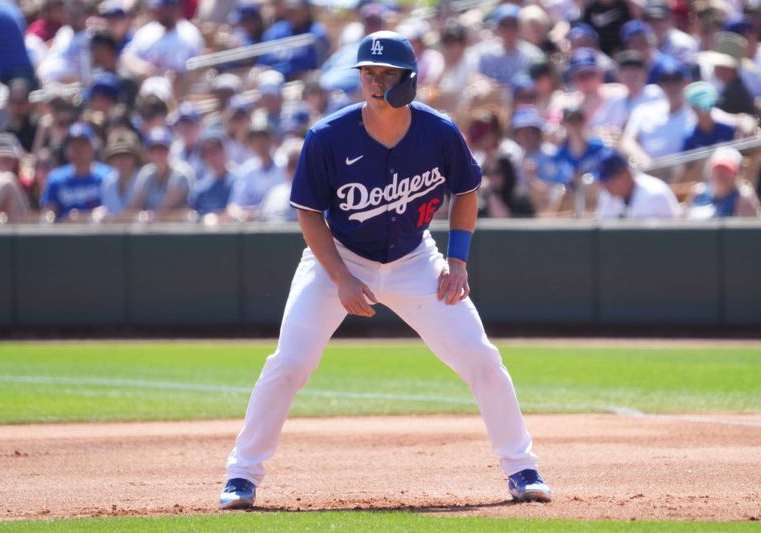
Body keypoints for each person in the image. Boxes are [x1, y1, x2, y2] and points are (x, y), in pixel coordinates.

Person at [219, 30, 551, 510]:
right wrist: (341, 278)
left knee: (481, 357)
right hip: (340, 256)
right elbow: (309, 213)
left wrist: (457, 261)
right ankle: (241, 475)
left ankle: (523, 469)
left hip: (415, 259)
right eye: (367, 74)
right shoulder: (328, 136)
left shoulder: (438, 131)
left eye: (385, 74)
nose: (374, 83)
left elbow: (467, 191)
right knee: (289, 363)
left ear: (408, 80)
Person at [40, 122, 111, 220]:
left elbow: (114, 210)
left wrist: (87, 217)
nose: (77, 150)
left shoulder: (107, 176)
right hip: (65, 232)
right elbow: (49, 214)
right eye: (73, 146)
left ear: (91, 147)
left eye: (82, 145)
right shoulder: (56, 178)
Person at [595, 149, 681, 219]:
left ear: (624, 174)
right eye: (602, 182)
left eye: (607, 180)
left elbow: (671, 235)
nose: (605, 186)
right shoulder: (606, 195)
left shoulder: (656, 194)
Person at [686, 146, 760, 218]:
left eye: (726, 170)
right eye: (717, 169)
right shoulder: (698, 192)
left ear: (736, 174)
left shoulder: (742, 198)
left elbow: (748, 228)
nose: (720, 174)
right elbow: (683, 221)